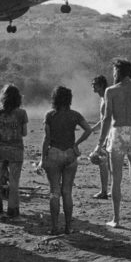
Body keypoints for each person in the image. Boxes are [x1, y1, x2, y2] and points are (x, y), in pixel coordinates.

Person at [95, 58, 131, 228]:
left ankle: (116, 219)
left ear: (118, 71)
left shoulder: (111, 91)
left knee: (117, 178)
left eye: (114, 71)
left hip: (118, 132)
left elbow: (106, 119)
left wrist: (100, 142)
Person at [37, 86, 92, 234]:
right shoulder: (75, 115)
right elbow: (88, 130)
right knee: (67, 192)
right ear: (69, 99)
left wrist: (42, 158)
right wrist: (76, 144)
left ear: (54, 99)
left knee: (54, 192)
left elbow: (47, 138)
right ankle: (68, 227)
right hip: (70, 154)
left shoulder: (50, 115)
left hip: (54, 154)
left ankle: (54, 228)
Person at [0, 84, 28, 219]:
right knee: (14, 182)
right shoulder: (21, 113)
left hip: (0, 149)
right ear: (18, 97)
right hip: (16, 150)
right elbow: (24, 133)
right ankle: (12, 211)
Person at [89, 75, 111, 200]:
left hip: (109, 135)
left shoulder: (108, 98)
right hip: (108, 134)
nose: (93, 87)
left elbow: (108, 120)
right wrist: (92, 129)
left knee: (101, 162)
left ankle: (104, 191)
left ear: (101, 85)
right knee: (108, 164)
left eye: (94, 84)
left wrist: (103, 137)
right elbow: (103, 120)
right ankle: (109, 190)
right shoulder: (103, 99)